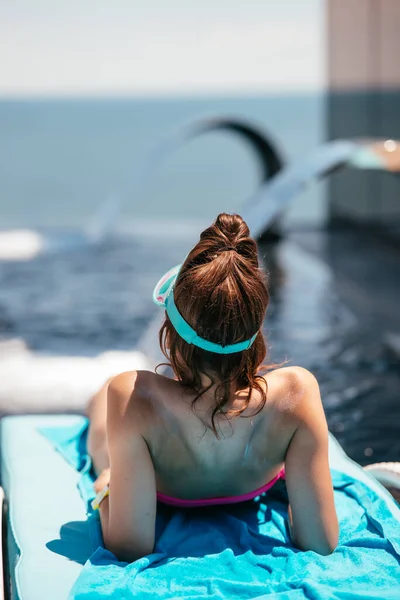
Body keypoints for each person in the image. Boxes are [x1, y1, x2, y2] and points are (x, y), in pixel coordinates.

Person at [87, 213, 339, 563]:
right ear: (254, 330)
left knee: (103, 419)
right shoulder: (298, 393)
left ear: (171, 333)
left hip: (163, 486)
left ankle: (99, 431)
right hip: (250, 489)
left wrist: (105, 493)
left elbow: (130, 546)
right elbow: (320, 542)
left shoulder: (134, 395)